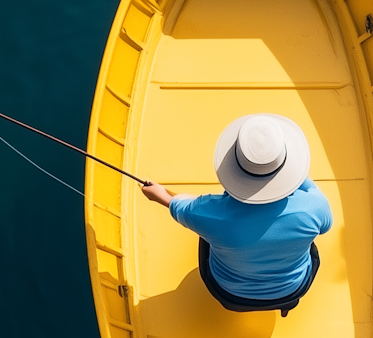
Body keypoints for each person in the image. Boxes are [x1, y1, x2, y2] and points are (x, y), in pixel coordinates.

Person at [141, 114, 332, 316]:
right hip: (293, 289)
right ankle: (286, 306)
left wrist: (160, 195)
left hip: (229, 294)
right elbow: (325, 226)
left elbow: (178, 204)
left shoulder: (208, 213)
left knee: (206, 233)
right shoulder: (315, 206)